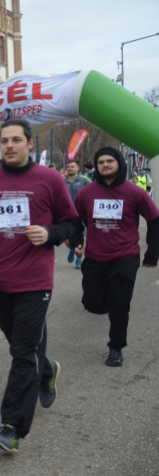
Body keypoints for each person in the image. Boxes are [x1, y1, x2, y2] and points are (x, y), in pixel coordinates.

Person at [0, 119, 80, 454]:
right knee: (22, 347)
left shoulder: (50, 179)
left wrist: (50, 234)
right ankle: (47, 370)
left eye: (16, 140)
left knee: (21, 353)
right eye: (4, 141)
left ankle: (12, 427)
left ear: (31, 144)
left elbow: (71, 222)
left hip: (35, 280)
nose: (9, 146)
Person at [68, 147, 159, 368]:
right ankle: (108, 301)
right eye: (101, 162)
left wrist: (152, 253)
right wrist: (77, 240)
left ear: (119, 163)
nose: (105, 165)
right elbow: (73, 219)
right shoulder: (87, 192)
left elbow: (155, 220)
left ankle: (116, 347)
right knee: (91, 303)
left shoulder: (134, 192)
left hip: (125, 257)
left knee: (119, 305)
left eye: (110, 161)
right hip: (95, 257)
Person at [64, 160, 90, 270]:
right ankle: (72, 248)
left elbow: (92, 193)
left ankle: (79, 259)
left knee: (79, 238)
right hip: (66, 214)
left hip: (81, 214)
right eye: (68, 166)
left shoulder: (84, 180)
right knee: (66, 239)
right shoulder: (62, 181)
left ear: (78, 168)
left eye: (72, 166)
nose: (70, 168)